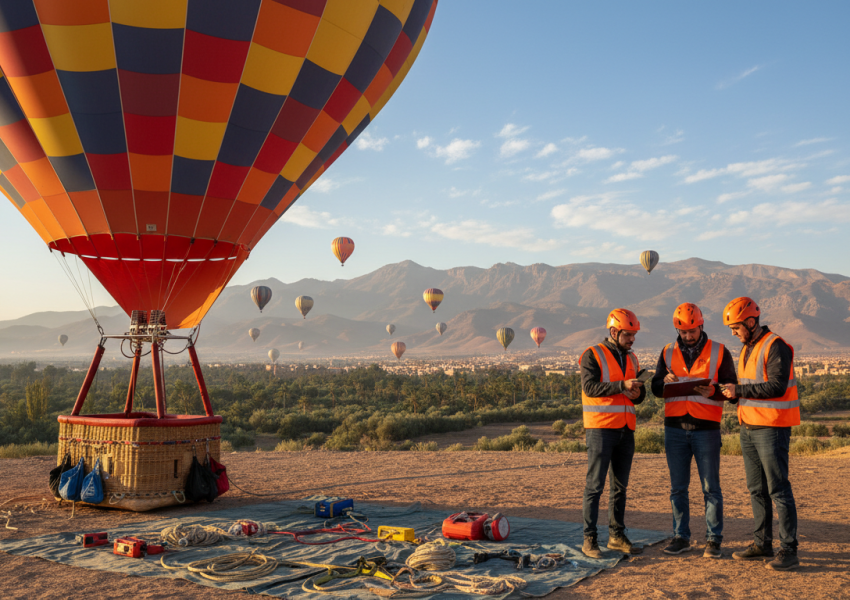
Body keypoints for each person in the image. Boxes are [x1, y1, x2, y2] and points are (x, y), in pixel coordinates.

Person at [720, 297, 800, 571]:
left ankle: (788, 550)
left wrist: (738, 391)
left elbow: (776, 387)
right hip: (749, 427)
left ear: (750, 322)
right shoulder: (747, 348)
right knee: (757, 489)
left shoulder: (774, 345)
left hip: (772, 428)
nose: (733, 333)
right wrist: (730, 394)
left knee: (778, 489)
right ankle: (762, 544)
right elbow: (749, 388)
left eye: (735, 327)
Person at [651, 303, 738, 559]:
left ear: (701, 325)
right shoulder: (667, 352)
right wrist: (662, 382)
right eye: (683, 331)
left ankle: (714, 540)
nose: (688, 336)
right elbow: (656, 389)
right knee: (678, 488)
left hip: (706, 429)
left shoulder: (720, 352)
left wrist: (713, 391)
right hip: (674, 429)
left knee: (711, 487)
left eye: (692, 330)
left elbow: (731, 390)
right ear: (677, 329)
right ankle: (681, 537)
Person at [579, 308, 646, 558]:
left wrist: (638, 393)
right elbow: (590, 387)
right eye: (628, 334)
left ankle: (616, 536)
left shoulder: (633, 358)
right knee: (594, 487)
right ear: (614, 331)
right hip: (600, 428)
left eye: (634, 335)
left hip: (626, 429)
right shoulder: (592, 355)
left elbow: (635, 395)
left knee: (620, 487)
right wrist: (622, 386)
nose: (632, 339)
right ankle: (590, 539)